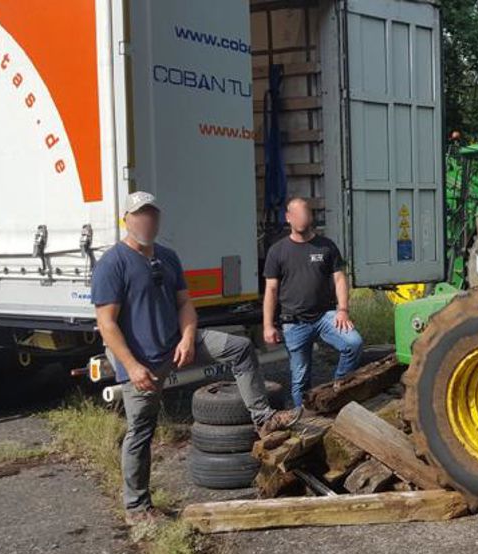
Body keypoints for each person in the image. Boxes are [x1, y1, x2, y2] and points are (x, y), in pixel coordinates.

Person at [92, 191, 298, 526]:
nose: (146, 220)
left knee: (239, 348)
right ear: (126, 219)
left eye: (151, 214)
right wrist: (131, 366)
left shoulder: (167, 257)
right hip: (142, 362)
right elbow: (107, 323)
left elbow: (185, 304)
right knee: (141, 432)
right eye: (139, 214)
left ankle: (263, 418)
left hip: (178, 343)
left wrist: (188, 338)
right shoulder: (113, 264)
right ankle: (136, 507)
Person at [263, 197, 363, 411]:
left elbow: (339, 279)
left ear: (311, 217)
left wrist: (342, 310)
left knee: (353, 343)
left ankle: (337, 391)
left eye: (305, 214)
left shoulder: (326, 246)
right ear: (288, 218)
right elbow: (271, 290)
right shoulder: (277, 251)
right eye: (296, 215)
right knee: (300, 377)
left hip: (325, 316)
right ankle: (305, 418)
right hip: (294, 322)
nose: (301, 219)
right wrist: (268, 325)